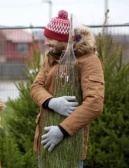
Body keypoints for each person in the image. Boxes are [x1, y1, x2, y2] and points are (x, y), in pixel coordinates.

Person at [30, 9, 105, 167]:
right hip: (45, 139)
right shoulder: (51, 57)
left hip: (69, 142)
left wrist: (62, 130)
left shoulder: (88, 61)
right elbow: (36, 87)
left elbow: (94, 103)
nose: (46, 43)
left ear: (64, 38)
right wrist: (51, 102)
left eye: (50, 38)